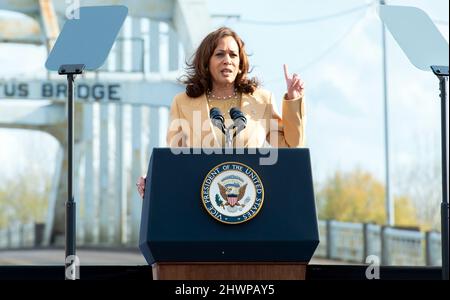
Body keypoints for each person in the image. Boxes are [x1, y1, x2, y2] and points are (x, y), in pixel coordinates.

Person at [136, 26, 305, 198]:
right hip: (200, 200)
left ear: (240, 64)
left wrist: (293, 100)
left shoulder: (262, 100)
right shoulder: (182, 103)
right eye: (219, 54)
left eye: (233, 55)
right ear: (206, 62)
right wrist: (153, 177)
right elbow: (175, 159)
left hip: (250, 200)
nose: (227, 60)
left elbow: (291, 147)